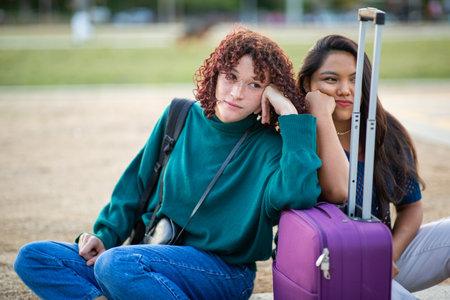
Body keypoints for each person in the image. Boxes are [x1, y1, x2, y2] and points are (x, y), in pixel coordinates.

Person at [14, 26, 322, 300]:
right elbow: (136, 186)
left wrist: (289, 114)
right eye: (231, 77)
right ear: (215, 74)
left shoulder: (268, 146)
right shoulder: (180, 116)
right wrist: (105, 235)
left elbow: (300, 193)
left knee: (117, 265)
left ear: (268, 94)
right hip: (149, 255)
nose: (237, 93)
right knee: (35, 257)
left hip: (222, 272)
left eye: (255, 85)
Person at [297, 34, 449, 299]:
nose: (345, 89)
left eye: (355, 79)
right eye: (331, 79)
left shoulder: (384, 131)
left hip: (379, 255)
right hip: (325, 268)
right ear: (308, 83)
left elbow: (411, 206)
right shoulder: (298, 135)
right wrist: (320, 115)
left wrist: (389, 252)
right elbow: (337, 191)